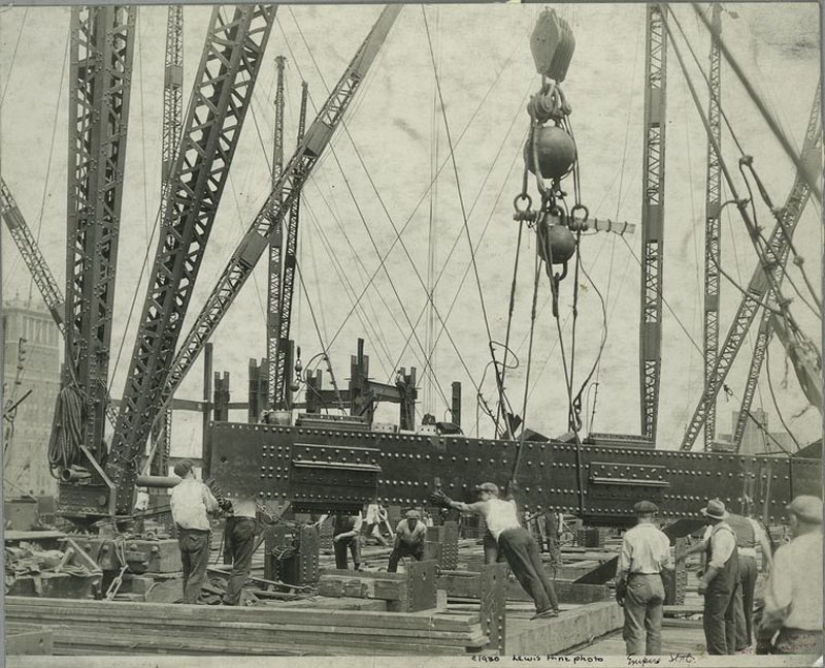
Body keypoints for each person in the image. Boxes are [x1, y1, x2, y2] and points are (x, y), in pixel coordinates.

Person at [432, 480, 560, 620]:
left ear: (491, 493)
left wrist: (445, 500)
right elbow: (511, 496)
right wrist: (511, 489)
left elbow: (463, 507)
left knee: (526, 573)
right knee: (540, 572)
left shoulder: (484, 505)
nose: (480, 496)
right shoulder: (509, 504)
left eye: (482, 492)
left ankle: (544, 608)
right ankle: (553, 606)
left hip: (510, 538)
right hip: (525, 535)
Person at [682, 508, 774, 652]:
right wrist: (768, 564)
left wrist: (704, 571)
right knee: (748, 604)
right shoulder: (750, 522)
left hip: (736, 562)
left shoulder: (717, 528)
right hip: (751, 562)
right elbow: (763, 542)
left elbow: (709, 549)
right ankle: (747, 641)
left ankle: (740, 643)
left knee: (735, 605)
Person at [756, 495, 822, 657]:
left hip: (798, 640)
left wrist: (763, 640)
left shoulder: (788, 553)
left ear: (794, 520)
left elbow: (777, 609)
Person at [615, 500, 674, 656]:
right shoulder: (662, 536)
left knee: (635, 630)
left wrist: (619, 589)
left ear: (637, 515)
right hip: (657, 581)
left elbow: (623, 567)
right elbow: (668, 565)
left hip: (638, 582)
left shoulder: (630, 535)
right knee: (655, 631)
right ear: (654, 515)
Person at [169, 459, 219, 604]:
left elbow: (174, 512)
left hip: (182, 536)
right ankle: (189, 606)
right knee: (197, 574)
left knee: (187, 572)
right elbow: (212, 507)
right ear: (191, 470)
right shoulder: (200, 487)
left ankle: (188, 599)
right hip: (198, 535)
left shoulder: (176, 490)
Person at [696, 499, 740, 655]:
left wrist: (705, 581)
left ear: (709, 517)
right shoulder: (726, 530)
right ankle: (729, 654)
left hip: (720, 584)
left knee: (713, 619)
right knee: (728, 618)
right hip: (731, 580)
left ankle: (718, 656)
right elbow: (710, 548)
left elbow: (717, 563)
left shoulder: (720, 534)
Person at [221, 495, 258, 606]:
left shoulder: (233, 488)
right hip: (246, 523)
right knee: (242, 566)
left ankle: (230, 592)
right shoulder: (250, 487)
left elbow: (225, 505)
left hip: (234, 522)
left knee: (234, 561)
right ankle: (231, 598)